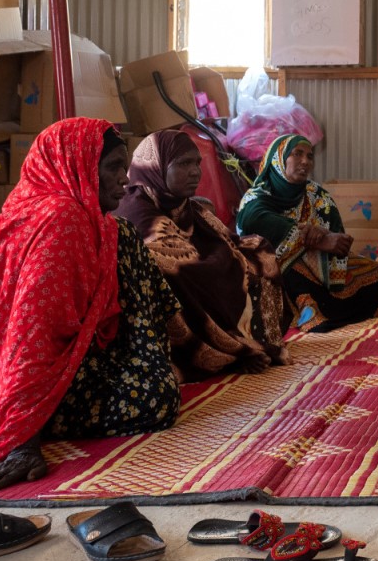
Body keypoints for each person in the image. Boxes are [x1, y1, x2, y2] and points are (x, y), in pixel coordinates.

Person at [0, 118, 184, 493]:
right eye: (113, 167)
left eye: (126, 166)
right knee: (156, 399)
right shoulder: (62, 219)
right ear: (78, 166)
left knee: (121, 235)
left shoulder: (53, 208)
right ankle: (30, 420)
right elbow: (32, 334)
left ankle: (162, 357)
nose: (124, 178)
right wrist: (22, 443)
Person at [116, 130, 287, 381]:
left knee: (260, 250)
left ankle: (249, 338)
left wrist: (224, 255)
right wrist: (219, 258)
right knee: (176, 272)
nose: (196, 171)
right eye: (184, 163)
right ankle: (223, 353)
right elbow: (163, 253)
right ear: (157, 166)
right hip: (171, 273)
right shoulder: (135, 206)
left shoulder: (185, 204)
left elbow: (222, 237)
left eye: (197, 163)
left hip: (197, 261)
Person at [235, 134, 378, 333]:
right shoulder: (257, 196)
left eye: (309, 156)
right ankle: (310, 309)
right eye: (297, 154)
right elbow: (254, 221)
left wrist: (329, 239)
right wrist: (316, 240)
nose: (305, 161)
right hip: (276, 272)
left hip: (321, 266)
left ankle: (329, 305)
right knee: (293, 266)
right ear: (279, 159)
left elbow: (337, 238)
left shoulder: (315, 193)